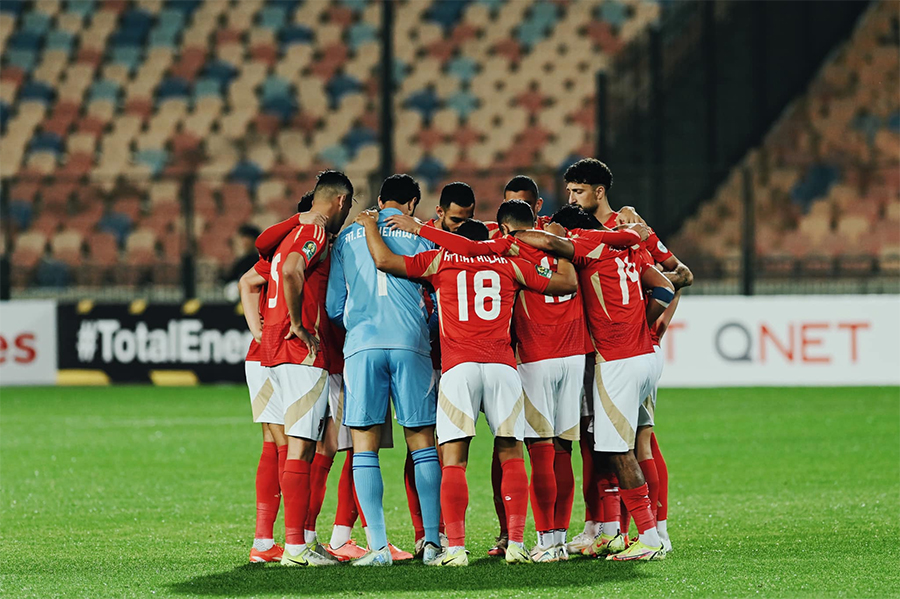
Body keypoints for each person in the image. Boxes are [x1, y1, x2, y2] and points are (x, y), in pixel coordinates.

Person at [358, 211, 578, 566]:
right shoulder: (509, 262)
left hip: (460, 368)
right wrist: (564, 251)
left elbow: (384, 260)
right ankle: (517, 545)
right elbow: (565, 285)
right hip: (502, 367)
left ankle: (456, 548)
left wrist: (370, 226)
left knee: (455, 462)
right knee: (511, 455)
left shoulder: (440, 260)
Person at [512, 219, 675, 561]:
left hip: (618, 360)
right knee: (635, 441)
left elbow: (555, 244)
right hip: (646, 354)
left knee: (617, 450)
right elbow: (667, 289)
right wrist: (641, 324)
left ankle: (648, 536)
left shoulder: (587, 246)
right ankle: (636, 532)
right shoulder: (628, 251)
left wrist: (515, 234)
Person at [325, 174, 443, 567]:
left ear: (379, 199)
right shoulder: (424, 234)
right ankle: (431, 543)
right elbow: (439, 296)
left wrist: (361, 325)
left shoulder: (347, 238)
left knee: (364, 446)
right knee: (422, 442)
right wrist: (420, 329)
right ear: (411, 204)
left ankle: (377, 548)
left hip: (362, 345)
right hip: (412, 344)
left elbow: (334, 307)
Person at [258, 170, 353, 567]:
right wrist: (299, 322)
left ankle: (291, 543)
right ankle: (296, 547)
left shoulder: (289, 232)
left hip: (273, 350)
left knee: (292, 445)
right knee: (301, 446)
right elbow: (293, 269)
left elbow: (268, 259)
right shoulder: (313, 232)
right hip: (299, 351)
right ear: (341, 203)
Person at [238, 255, 286, 563]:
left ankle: (265, 540)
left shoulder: (278, 251)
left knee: (273, 441)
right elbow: (246, 282)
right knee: (289, 445)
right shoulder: (301, 248)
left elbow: (246, 281)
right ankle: (298, 540)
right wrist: (258, 330)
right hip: (276, 354)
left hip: (262, 354)